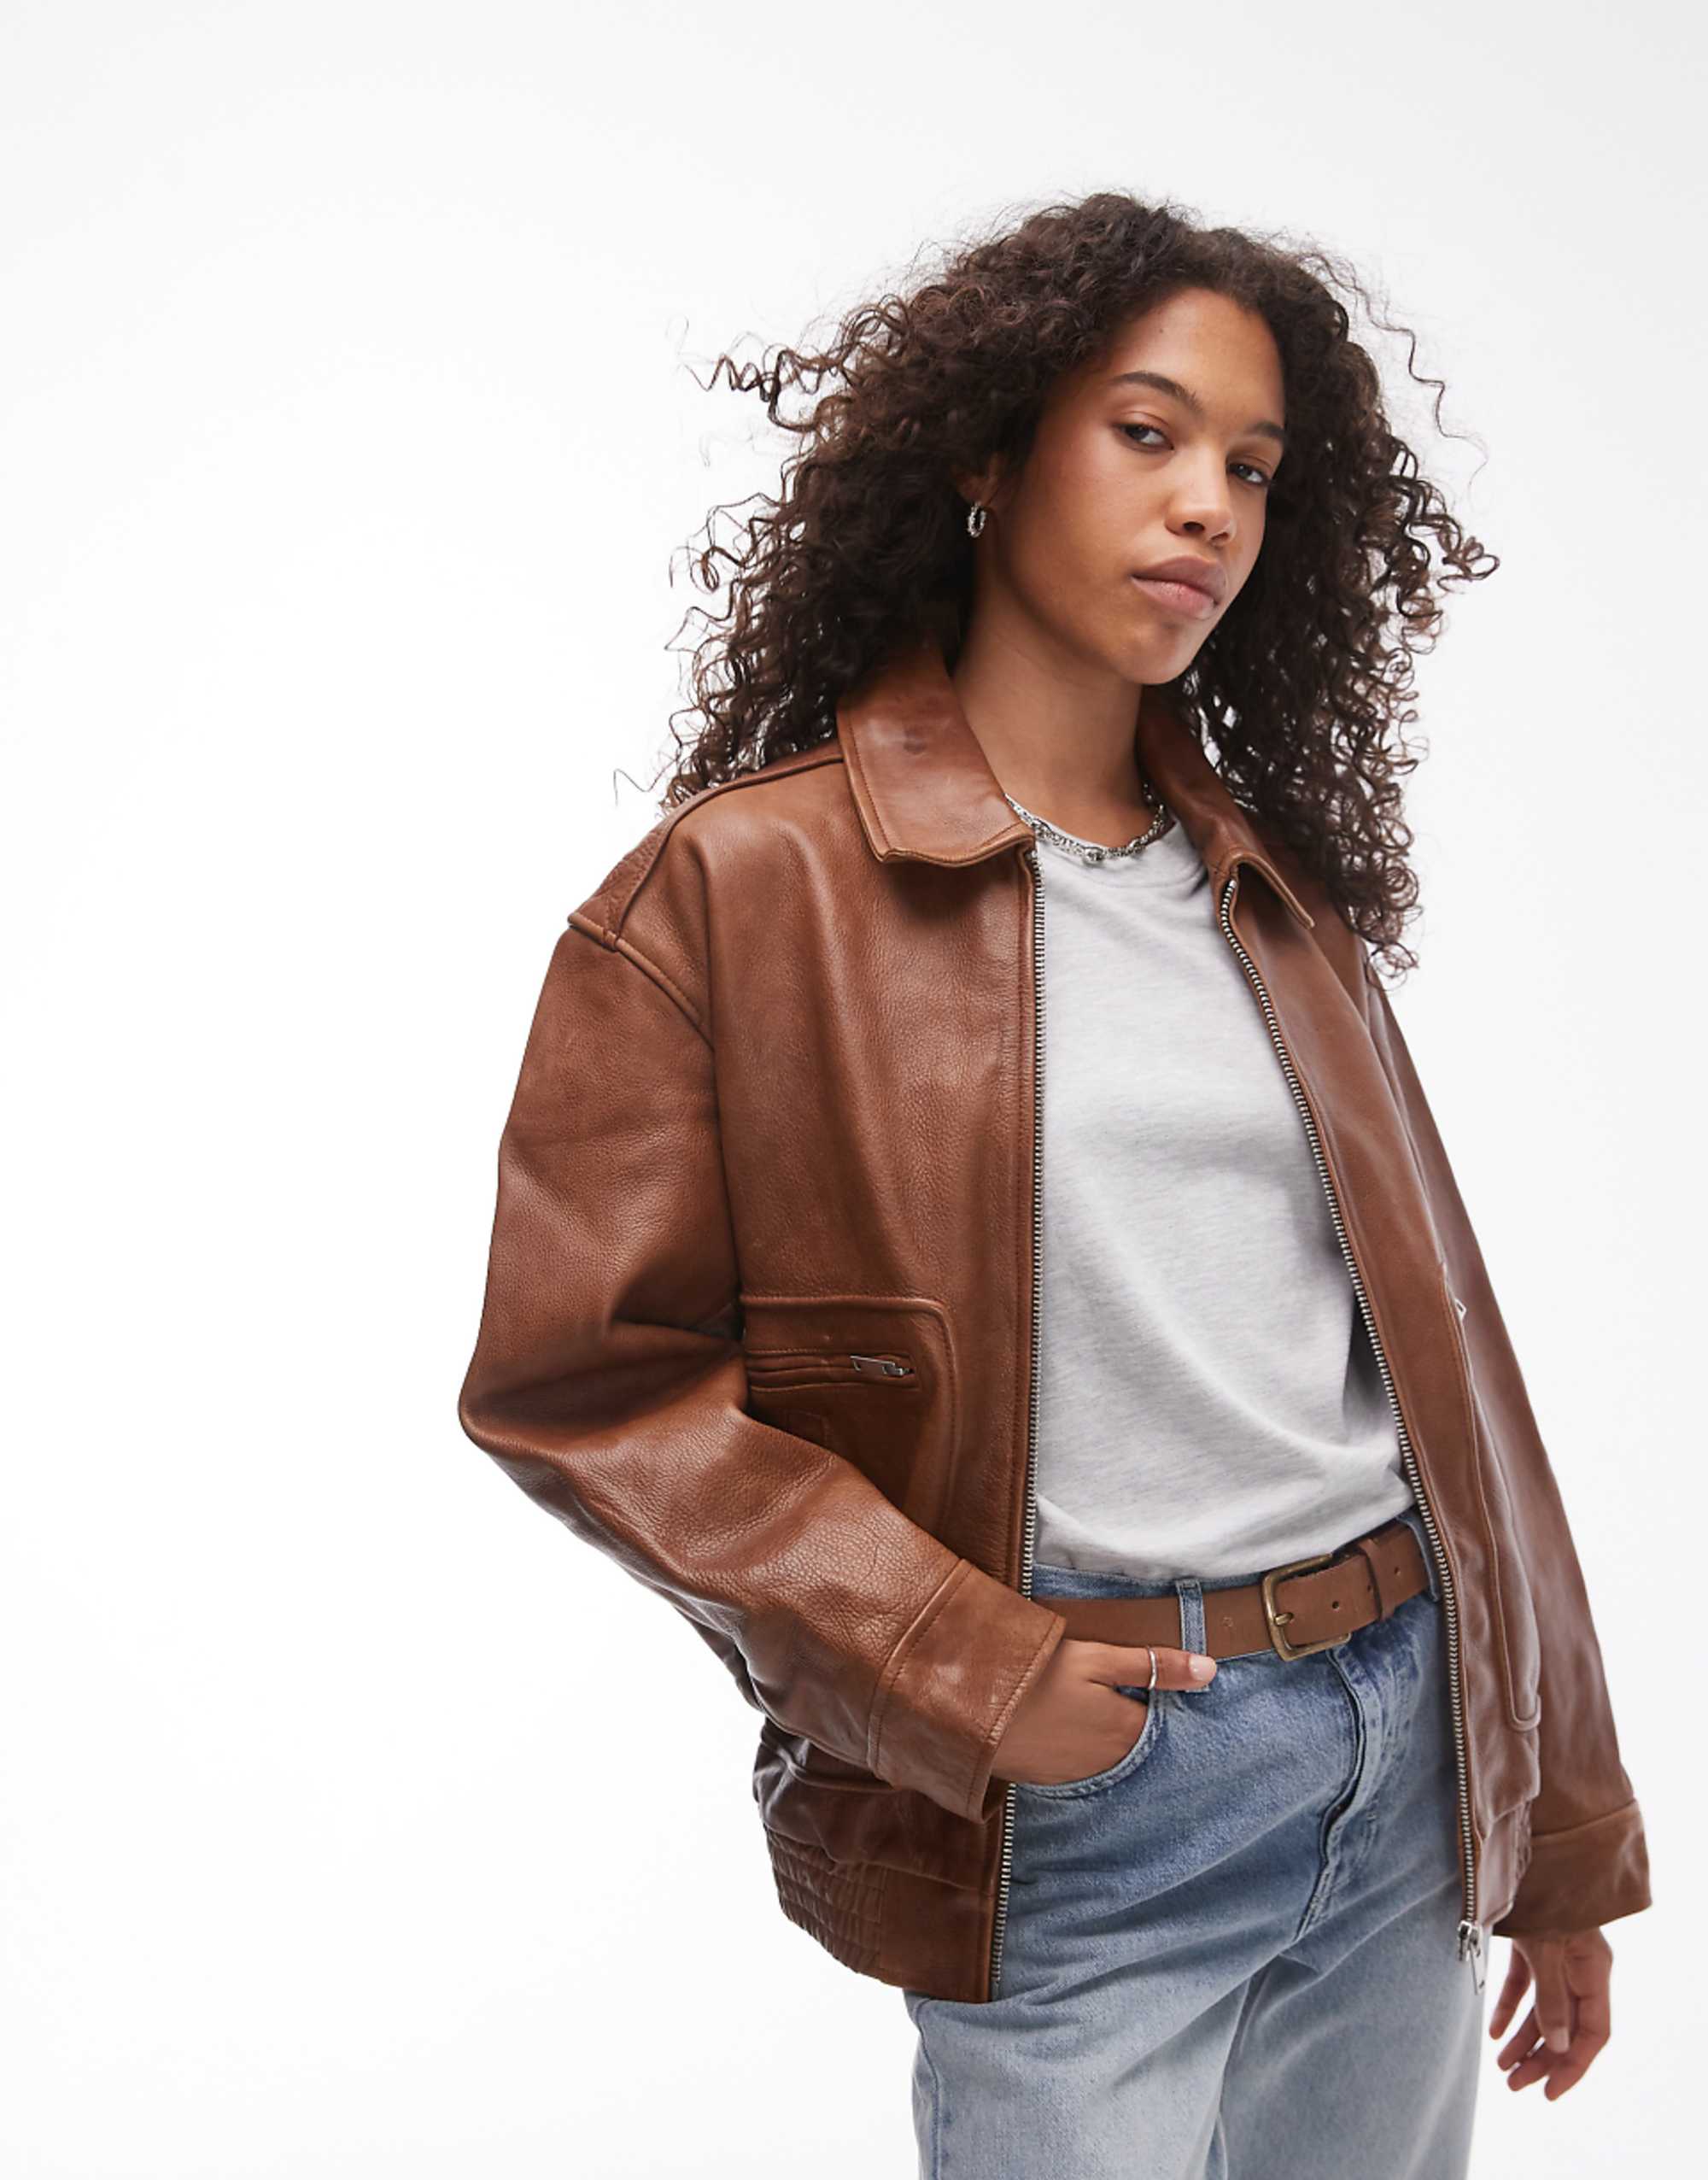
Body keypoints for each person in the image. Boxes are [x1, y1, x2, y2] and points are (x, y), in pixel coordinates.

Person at [455, 191, 1651, 2177]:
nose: (1206, 507)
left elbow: (1454, 1381)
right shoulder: (740, 895)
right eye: (1147, 432)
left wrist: (1561, 1826)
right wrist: (961, 1670)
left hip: (1407, 1749)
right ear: (989, 458)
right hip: (1092, 1791)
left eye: (1251, 467)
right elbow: (583, 1385)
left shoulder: (1271, 901)